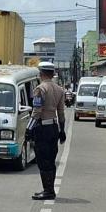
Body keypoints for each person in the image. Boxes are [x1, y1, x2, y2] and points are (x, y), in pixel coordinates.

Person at [26, 62, 66, 200]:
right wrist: (62, 129)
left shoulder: (40, 89)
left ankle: (48, 191)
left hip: (42, 127)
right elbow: (61, 111)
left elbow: (37, 111)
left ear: (41, 73)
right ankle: (50, 189)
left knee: (42, 160)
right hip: (54, 127)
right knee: (51, 159)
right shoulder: (59, 89)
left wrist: (29, 128)